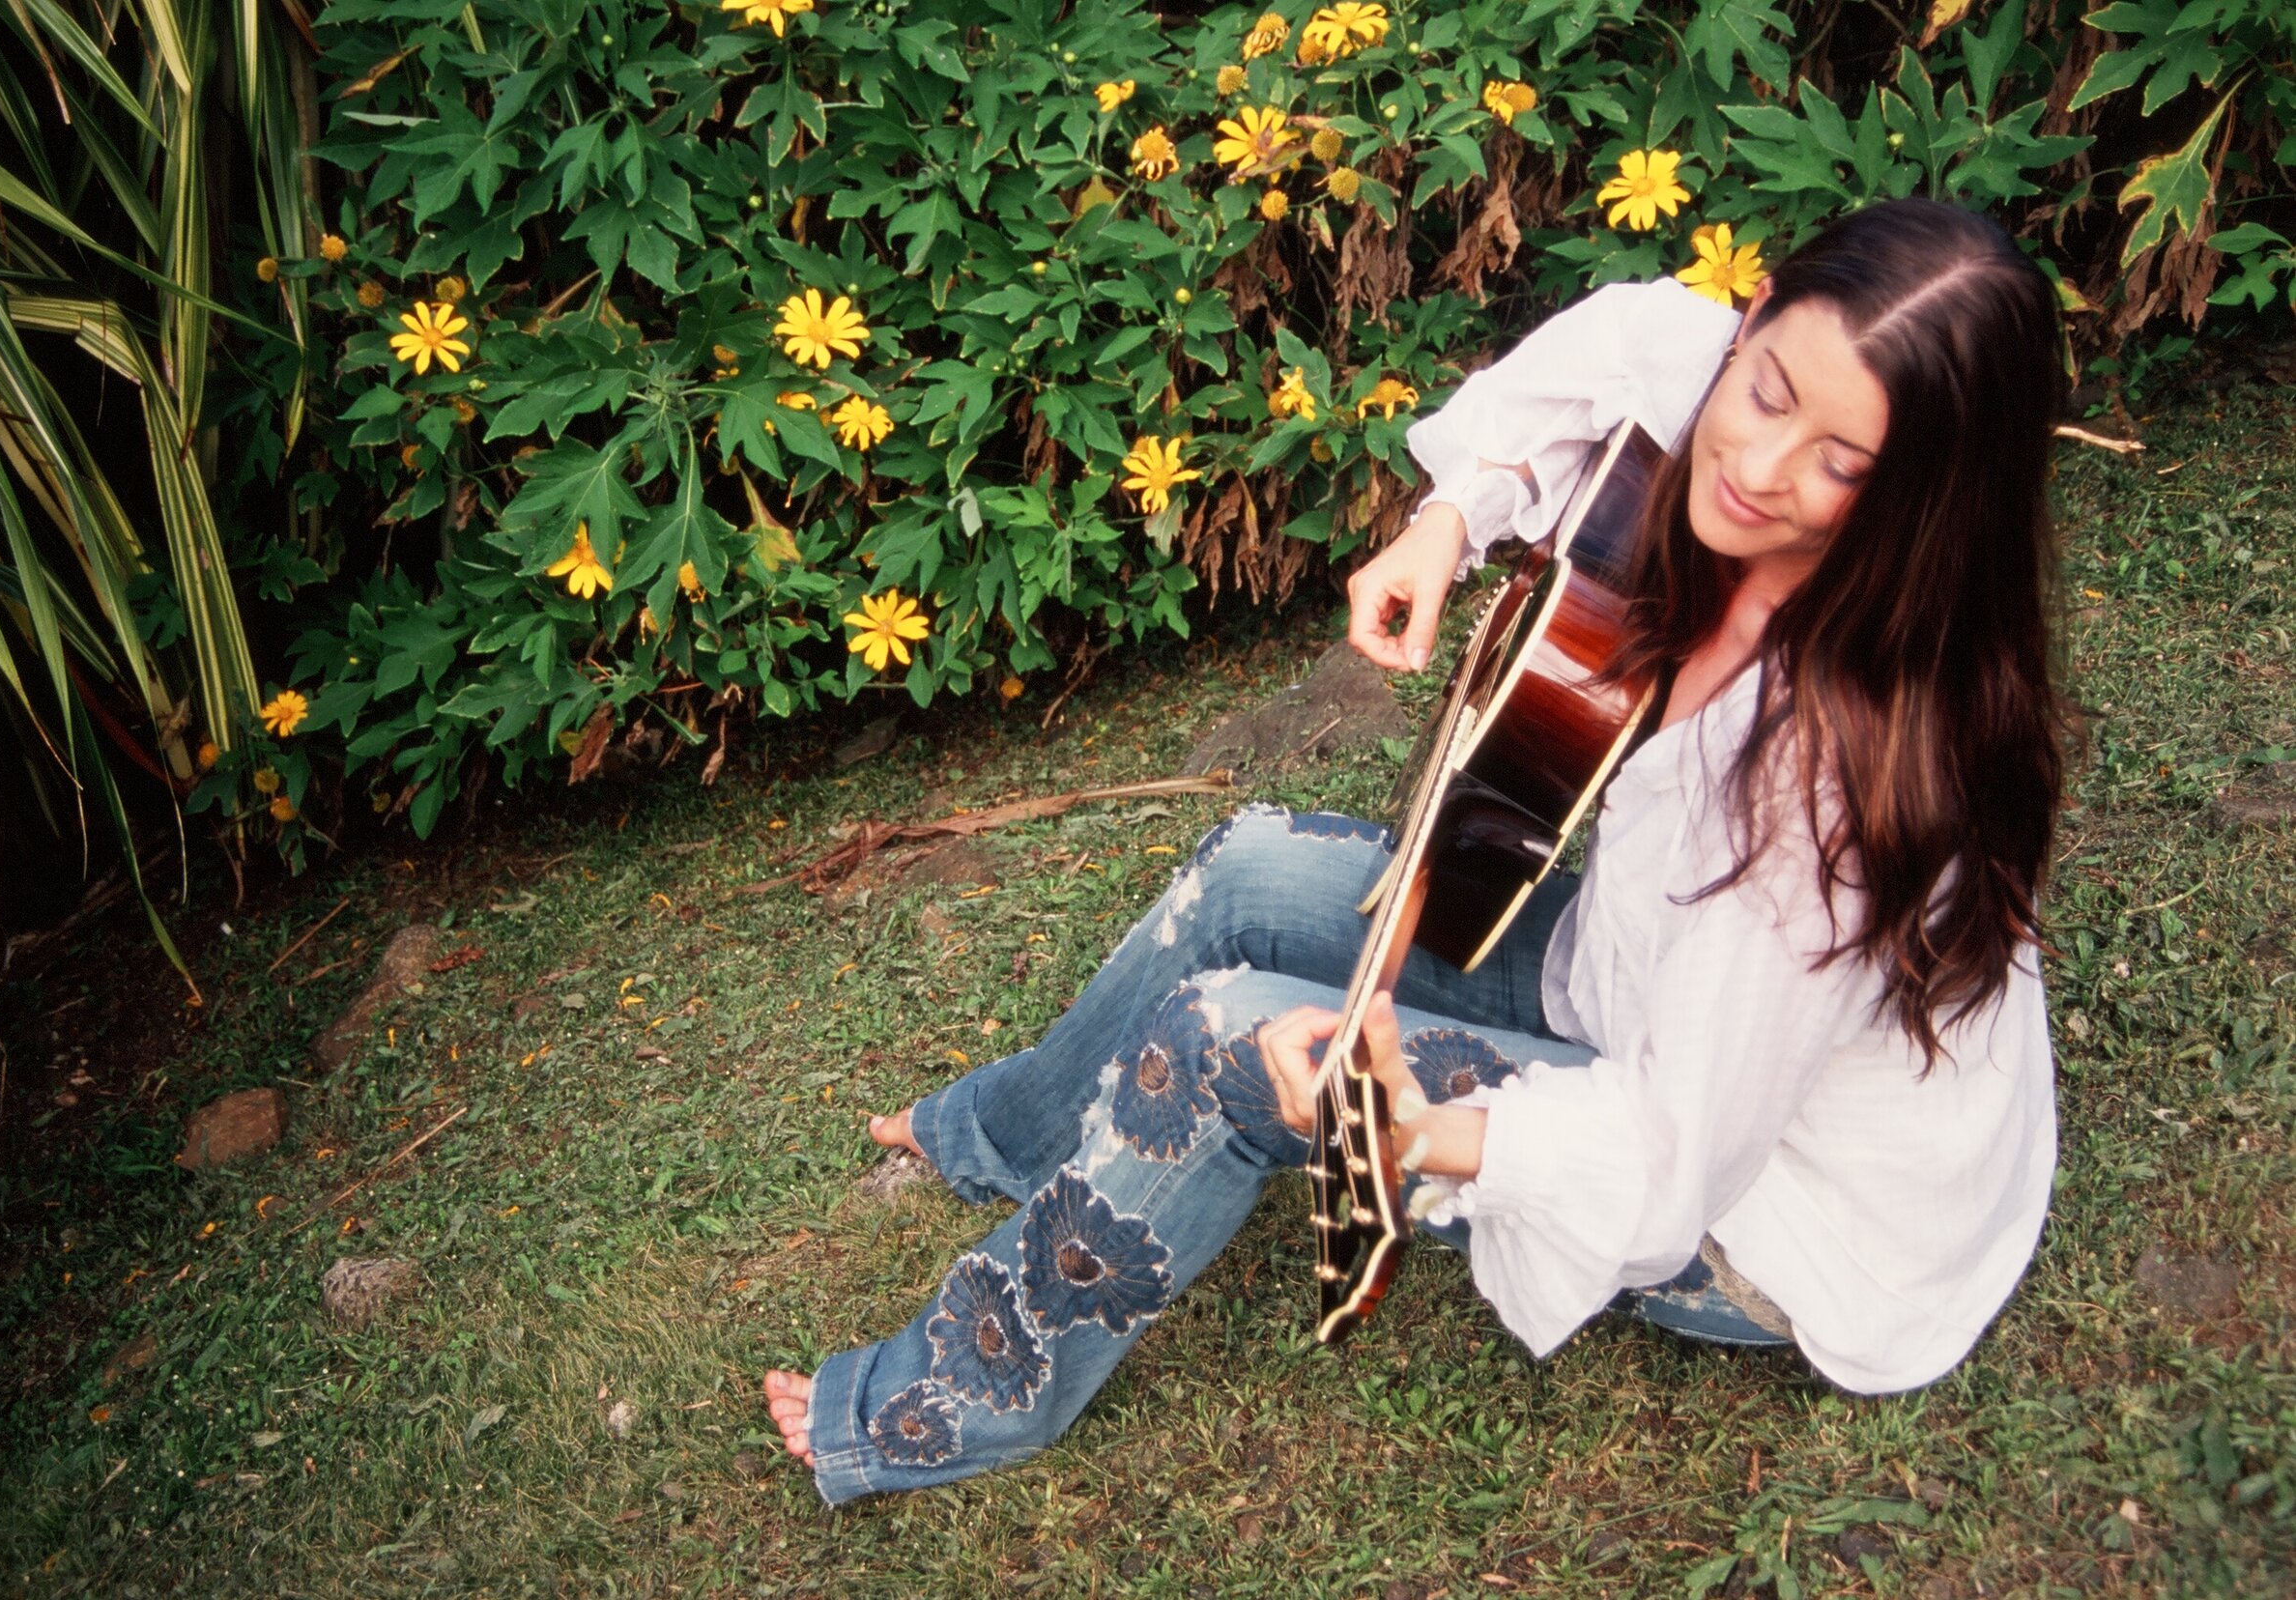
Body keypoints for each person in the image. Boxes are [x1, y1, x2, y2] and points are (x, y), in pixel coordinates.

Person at [762, 198, 2069, 1505]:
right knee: (1247, 868)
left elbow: (1675, 1161)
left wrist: (1416, 1132)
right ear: (1760, 311)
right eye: (1770, 386)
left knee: (1226, 1046)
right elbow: (1611, 351)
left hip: (1775, 1207)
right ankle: (1006, 1130)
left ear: (1921, 498)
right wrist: (1449, 522)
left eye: (1841, 461)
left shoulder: (1820, 789)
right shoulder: (1706, 371)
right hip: (1641, 979)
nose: (1762, 462)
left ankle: (957, 1397)